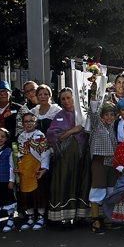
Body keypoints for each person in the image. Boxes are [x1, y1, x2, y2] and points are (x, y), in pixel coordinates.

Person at [46, 88, 90, 223]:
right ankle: (65, 216)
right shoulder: (60, 115)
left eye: (68, 98)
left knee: (82, 182)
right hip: (66, 159)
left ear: (74, 98)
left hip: (84, 156)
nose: (66, 101)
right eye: (63, 99)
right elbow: (52, 134)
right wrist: (72, 131)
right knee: (66, 182)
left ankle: (81, 215)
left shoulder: (83, 113)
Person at [16, 113, 51, 230]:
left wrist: (44, 169)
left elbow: (45, 153)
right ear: (22, 123)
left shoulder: (40, 136)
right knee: (26, 194)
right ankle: (30, 217)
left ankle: (41, 217)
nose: (28, 123)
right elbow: (18, 154)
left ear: (35, 123)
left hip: (37, 168)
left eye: (31, 121)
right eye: (26, 121)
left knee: (39, 194)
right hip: (25, 170)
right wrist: (18, 166)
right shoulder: (20, 136)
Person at [87, 98, 118, 233]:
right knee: (97, 190)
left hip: (112, 162)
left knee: (111, 190)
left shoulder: (112, 127)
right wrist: (95, 96)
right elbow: (93, 112)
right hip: (99, 161)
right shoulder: (97, 125)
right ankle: (95, 219)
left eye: (112, 115)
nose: (109, 117)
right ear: (102, 116)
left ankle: (108, 217)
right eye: (106, 115)